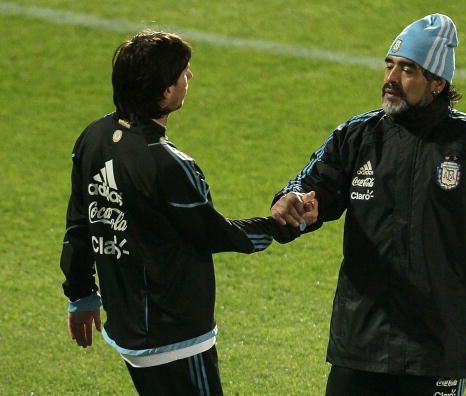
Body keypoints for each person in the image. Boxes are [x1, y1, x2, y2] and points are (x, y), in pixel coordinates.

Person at [271, 14, 466, 396]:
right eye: (389, 65)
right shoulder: (357, 135)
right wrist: (295, 204)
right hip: (361, 339)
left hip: (436, 343)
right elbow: (311, 187)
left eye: (407, 70)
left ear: (437, 83)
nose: (391, 79)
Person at [60, 31, 315, 395]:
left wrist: (81, 294)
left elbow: (80, 223)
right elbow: (214, 233)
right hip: (174, 334)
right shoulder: (168, 163)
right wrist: (281, 226)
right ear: (165, 91)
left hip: (130, 328)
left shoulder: (94, 137)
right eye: (183, 72)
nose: (189, 77)